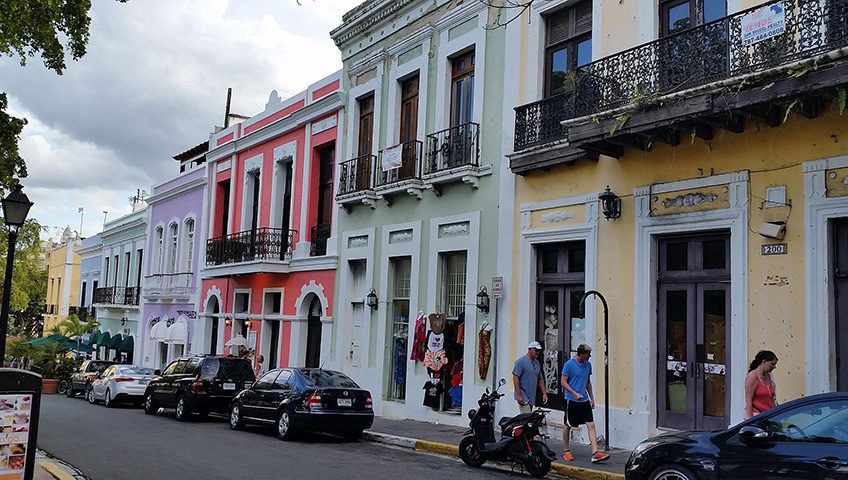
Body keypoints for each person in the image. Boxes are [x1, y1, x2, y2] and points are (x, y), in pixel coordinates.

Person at [560, 344, 610, 464]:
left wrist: (592, 399)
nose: (590, 356)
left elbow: (588, 382)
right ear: (581, 354)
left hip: (584, 400)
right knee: (567, 425)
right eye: (588, 354)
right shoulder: (569, 365)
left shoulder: (588, 365)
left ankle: (595, 453)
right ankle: (566, 450)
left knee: (591, 424)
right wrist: (574, 393)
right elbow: (563, 382)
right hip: (571, 400)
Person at [512, 341, 548, 413]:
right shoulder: (521, 362)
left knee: (528, 417)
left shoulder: (537, 363)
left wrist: (544, 393)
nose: (537, 352)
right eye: (535, 350)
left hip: (531, 396)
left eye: (538, 351)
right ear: (529, 349)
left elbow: (540, 379)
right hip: (523, 395)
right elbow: (515, 377)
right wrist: (519, 395)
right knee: (527, 417)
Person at [744, 350, 778, 419]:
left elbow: (773, 398)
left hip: (769, 415)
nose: (774, 367)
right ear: (764, 361)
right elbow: (748, 401)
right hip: (757, 415)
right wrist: (750, 420)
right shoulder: (753, 377)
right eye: (772, 364)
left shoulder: (769, 376)